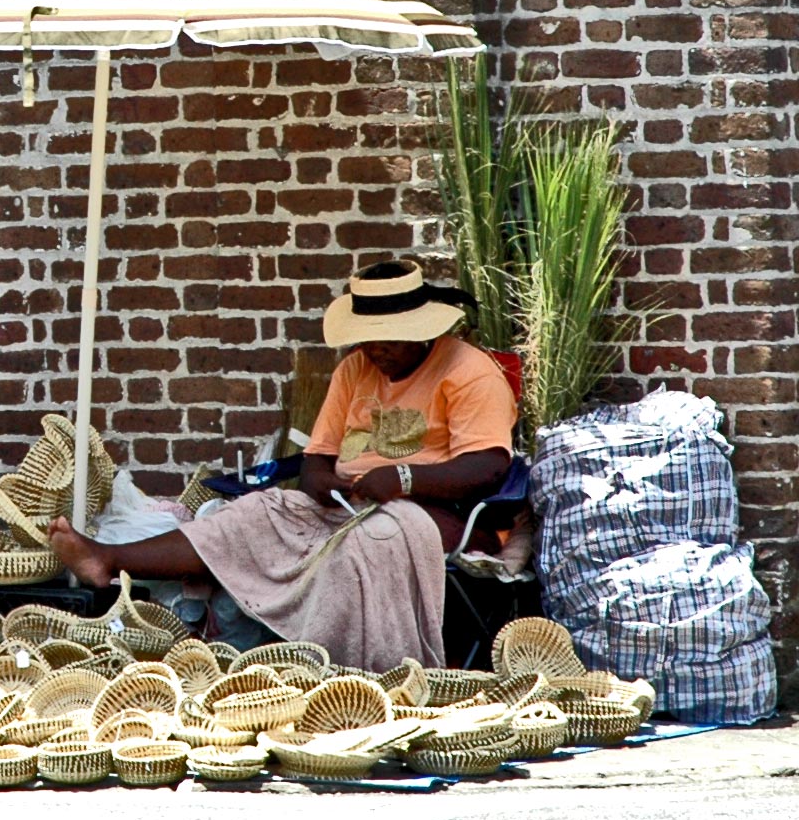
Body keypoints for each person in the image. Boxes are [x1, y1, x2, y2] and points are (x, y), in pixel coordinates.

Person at [48, 259, 517, 670]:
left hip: (439, 513)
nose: (376, 350)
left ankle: (337, 665)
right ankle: (107, 558)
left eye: (389, 339)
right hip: (349, 503)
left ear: (422, 330)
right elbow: (316, 460)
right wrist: (323, 484)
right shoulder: (355, 369)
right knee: (253, 514)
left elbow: (489, 468)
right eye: (367, 338)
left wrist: (403, 478)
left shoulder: (467, 370)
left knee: (362, 544)